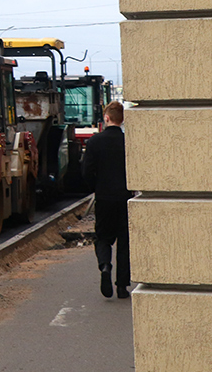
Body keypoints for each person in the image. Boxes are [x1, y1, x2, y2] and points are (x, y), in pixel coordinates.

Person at [82, 100, 131, 299]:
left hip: (104, 198)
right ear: (122, 120)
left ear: (106, 118)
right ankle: (121, 286)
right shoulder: (128, 142)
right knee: (124, 242)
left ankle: (104, 266)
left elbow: (86, 172)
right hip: (125, 198)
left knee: (103, 238)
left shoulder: (94, 142)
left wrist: (95, 188)